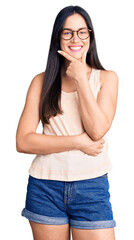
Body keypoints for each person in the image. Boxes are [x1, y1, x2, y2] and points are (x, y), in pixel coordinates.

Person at [16, 5, 118, 240]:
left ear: (90, 36)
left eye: (82, 32)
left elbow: (97, 130)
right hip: (45, 187)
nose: (75, 38)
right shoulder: (40, 82)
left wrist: (81, 78)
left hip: (91, 187)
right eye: (67, 32)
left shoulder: (107, 78)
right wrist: (78, 142)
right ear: (57, 38)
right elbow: (23, 141)